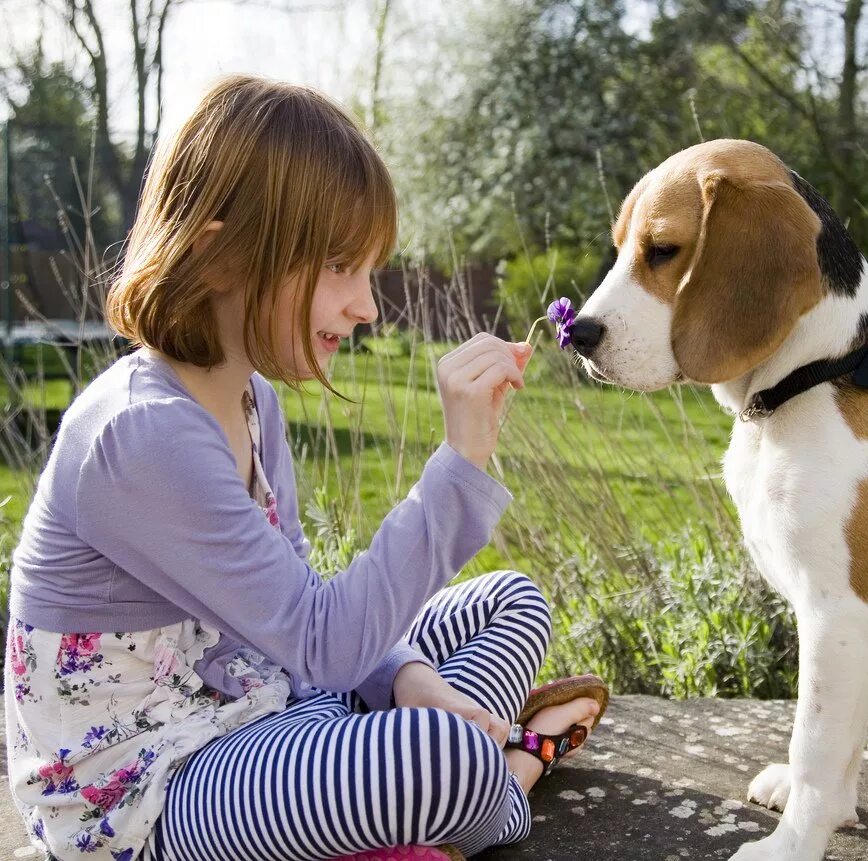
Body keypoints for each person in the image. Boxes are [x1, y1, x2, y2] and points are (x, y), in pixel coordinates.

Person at [4, 74, 608, 861]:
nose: (367, 306)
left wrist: (404, 678)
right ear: (221, 252)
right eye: (338, 266)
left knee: (510, 603)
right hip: (149, 796)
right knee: (441, 756)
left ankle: (409, 773)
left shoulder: (251, 399)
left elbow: (301, 620)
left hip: (262, 704)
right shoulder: (141, 435)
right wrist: (459, 461)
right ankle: (511, 768)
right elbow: (323, 644)